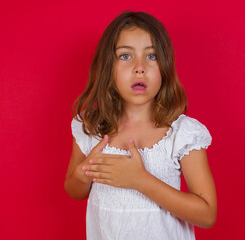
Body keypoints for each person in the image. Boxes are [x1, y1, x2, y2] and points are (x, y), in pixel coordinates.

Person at [64, 10, 217, 240]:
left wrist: (139, 180)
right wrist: (85, 172)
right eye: (125, 56)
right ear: (108, 67)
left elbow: (206, 215)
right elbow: (74, 190)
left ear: (164, 67)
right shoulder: (92, 127)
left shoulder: (181, 134)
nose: (139, 67)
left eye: (152, 56)